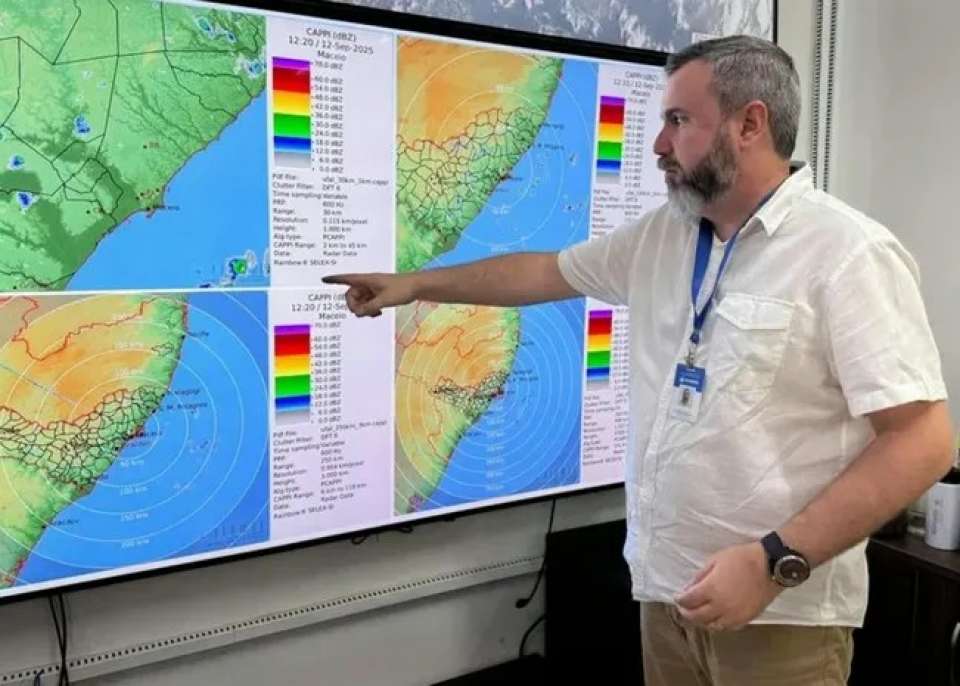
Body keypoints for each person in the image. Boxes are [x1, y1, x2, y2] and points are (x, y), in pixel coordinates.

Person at [324, 35, 954, 685]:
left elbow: (923, 442)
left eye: (679, 121)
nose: (658, 144)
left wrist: (772, 562)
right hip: (669, 597)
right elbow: (543, 273)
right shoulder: (666, 235)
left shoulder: (847, 254)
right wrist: (415, 284)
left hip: (778, 619)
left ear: (750, 124)